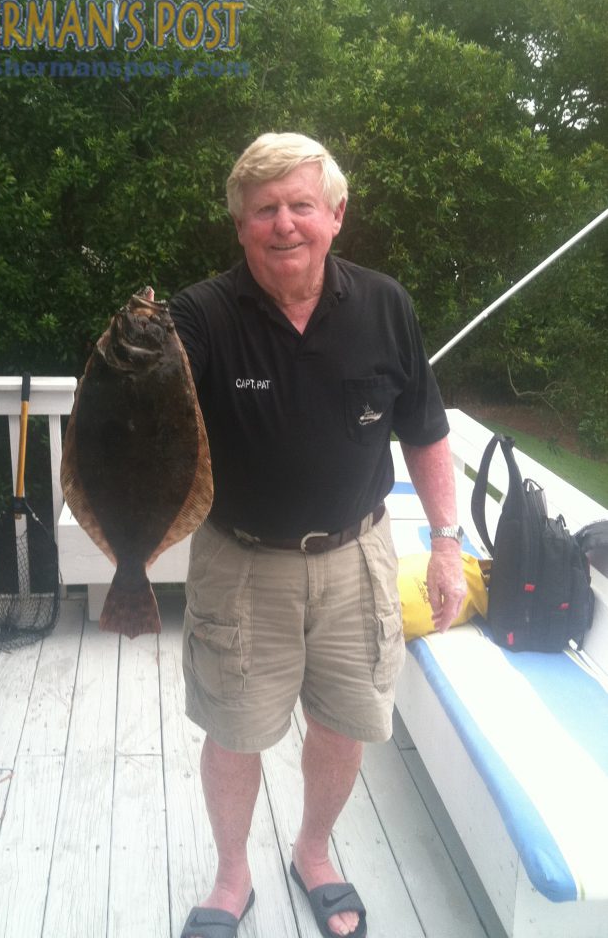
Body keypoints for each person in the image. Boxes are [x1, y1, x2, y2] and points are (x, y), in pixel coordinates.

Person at [169, 132, 467, 938]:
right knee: (234, 732)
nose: (283, 224)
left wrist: (445, 542)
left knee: (344, 722)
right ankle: (232, 878)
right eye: (263, 209)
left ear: (336, 214)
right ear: (240, 226)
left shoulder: (385, 304)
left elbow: (426, 431)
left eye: (301, 205)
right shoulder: (197, 315)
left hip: (359, 558)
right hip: (240, 563)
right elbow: (148, 412)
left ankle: (314, 852)